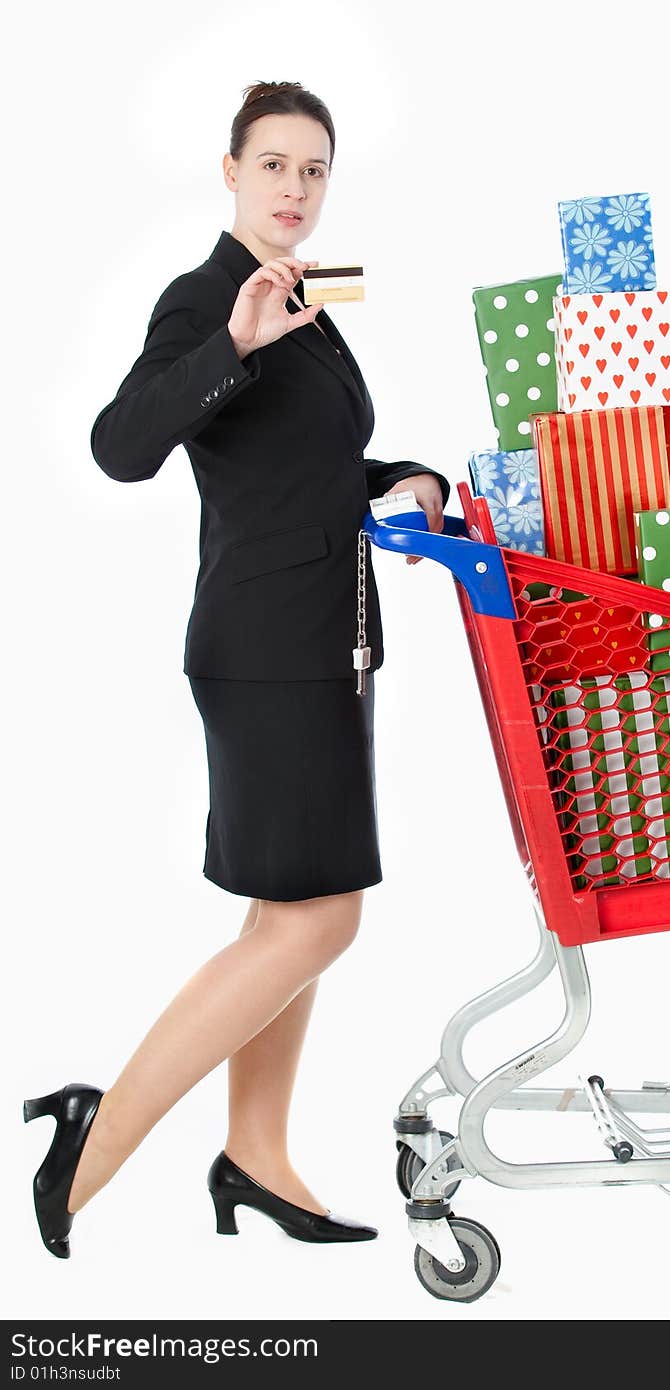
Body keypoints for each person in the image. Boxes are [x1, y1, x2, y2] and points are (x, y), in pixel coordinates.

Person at [23, 79, 451, 1259]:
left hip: (328, 643)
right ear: (230, 170)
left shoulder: (308, 300)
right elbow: (119, 447)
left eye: (314, 170)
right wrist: (232, 342)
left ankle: (254, 1157)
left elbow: (312, 467)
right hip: (266, 652)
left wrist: (406, 479)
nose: (295, 190)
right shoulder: (212, 299)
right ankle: (92, 1132)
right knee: (322, 922)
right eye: (274, 166)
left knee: (288, 907)